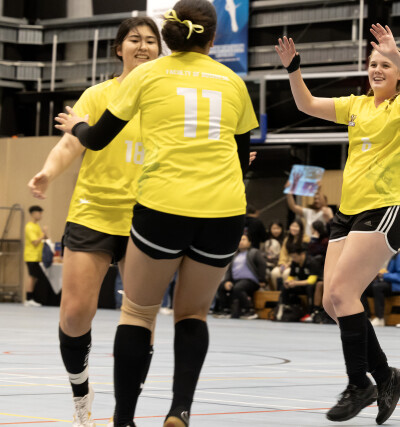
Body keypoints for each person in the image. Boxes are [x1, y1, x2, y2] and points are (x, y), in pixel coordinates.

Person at [55, 2, 259, 425]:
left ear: (168, 36)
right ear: (212, 38)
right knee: (193, 314)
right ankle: (179, 409)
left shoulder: (147, 75)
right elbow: (242, 161)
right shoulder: (234, 81)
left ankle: (124, 419)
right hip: (224, 211)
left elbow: (96, 138)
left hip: (165, 205)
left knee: (138, 312)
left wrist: (76, 127)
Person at [275, 22, 400, 423]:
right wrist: (293, 69)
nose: (377, 69)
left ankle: (359, 384)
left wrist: (396, 54)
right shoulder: (356, 106)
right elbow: (307, 104)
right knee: (333, 302)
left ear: (398, 74)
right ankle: (386, 374)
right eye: (373, 63)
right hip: (347, 213)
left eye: (385, 65)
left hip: (385, 209)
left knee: (344, 294)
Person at [29, 17, 161, 425]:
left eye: (151, 41)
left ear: (161, 50)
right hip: (95, 211)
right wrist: (48, 172)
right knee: (74, 315)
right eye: (134, 40)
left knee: (141, 320)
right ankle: (81, 390)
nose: (143, 46)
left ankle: (126, 411)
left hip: (150, 214)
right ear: (119, 49)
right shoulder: (98, 94)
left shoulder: (166, 99)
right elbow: (70, 142)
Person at [215, 234, 266, 319]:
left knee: (238, 288)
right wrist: (227, 281)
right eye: (239, 240)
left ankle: (249, 310)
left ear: (249, 242)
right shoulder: (234, 255)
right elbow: (229, 270)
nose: (241, 242)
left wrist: (262, 280)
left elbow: (262, 265)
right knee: (221, 286)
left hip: (250, 281)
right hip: (236, 281)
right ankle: (226, 310)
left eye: (243, 239)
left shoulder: (254, 252)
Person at [276, 242, 322, 321]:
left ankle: (310, 313)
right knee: (285, 287)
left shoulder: (312, 261)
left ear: (302, 254)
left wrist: (296, 283)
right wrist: (288, 282)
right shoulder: (294, 263)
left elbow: (312, 281)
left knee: (310, 287)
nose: (293, 259)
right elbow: (291, 276)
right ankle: (285, 308)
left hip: (313, 286)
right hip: (301, 285)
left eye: (294, 257)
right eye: (292, 257)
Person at [360, 252, 400, 326]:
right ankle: (367, 317)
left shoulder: (398, 256)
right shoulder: (381, 256)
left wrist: (384, 275)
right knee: (363, 287)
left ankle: (380, 318)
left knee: (377, 287)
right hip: (382, 284)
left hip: (396, 286)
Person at [270, 218, 308, 289]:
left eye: (296, 226)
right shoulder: (287, 239)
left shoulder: (305, 239)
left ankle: (287, 292)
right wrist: (282, 263)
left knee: (286, 273)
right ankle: (277, 293)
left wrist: (289, 264)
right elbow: (283, 253)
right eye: (292, 226)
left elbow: (303, 256)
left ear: (301, 228)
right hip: (285, 264)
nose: (294, 228)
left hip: (296, 265)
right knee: (274, 273)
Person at [23, 205, 47, 307]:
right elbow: (35, 242)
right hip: (31, 256)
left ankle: (32, 297)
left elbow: (43, 238)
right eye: (39, 213)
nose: (41, 215)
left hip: (37, 256)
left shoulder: (37, 226)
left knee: (35, 277)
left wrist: (44, 235)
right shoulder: (29, 226)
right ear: (33, 213)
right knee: (32, 277)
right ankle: (28, 298)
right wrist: (43, 234)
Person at [261, 221, 284, 289]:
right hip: (268, 263)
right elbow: (263, 254)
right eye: (274, 228)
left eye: (278, 228)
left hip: (281, 263)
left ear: (282, 229)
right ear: (270, 229)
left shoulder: (285, 240)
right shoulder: (267, 241)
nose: (276, 231)